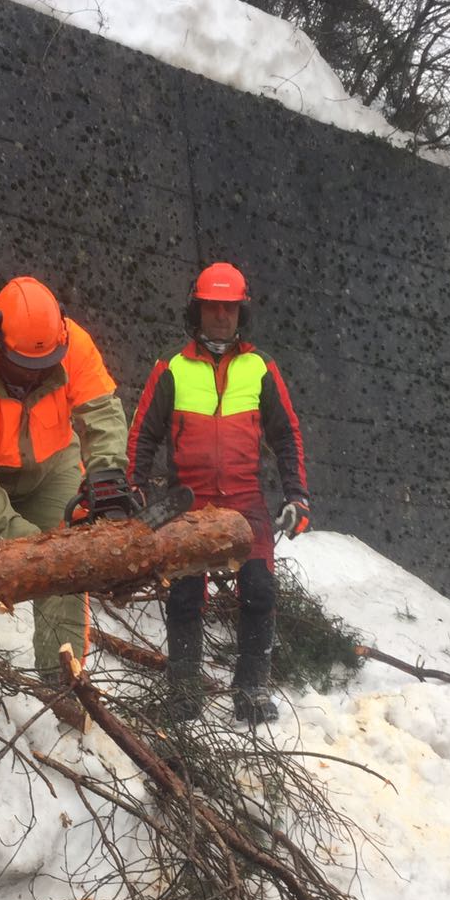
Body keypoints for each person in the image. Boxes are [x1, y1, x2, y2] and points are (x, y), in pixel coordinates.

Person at [126, 262, 311, 724]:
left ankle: (250, 692)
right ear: (198, 309)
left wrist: (297, 496)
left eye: (229, 308)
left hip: (245, 499)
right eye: (213, 307)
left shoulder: (260, 367)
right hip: (187, 501)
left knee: (260, 591)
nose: (221, 317)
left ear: (240, 312)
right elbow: (142, 435)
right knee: (186, 595)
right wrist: (135, 488)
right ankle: (185, 694)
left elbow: (286, 434)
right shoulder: (171, 367)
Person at [0, 276, 136, 684]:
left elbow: (102, 414)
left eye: (45, 365)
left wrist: (108, 479)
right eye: (25, 366)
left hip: (52, 465)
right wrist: (26, 539)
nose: (36, 375)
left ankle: (61, 685)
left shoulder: (73, 343)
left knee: (69, 567)